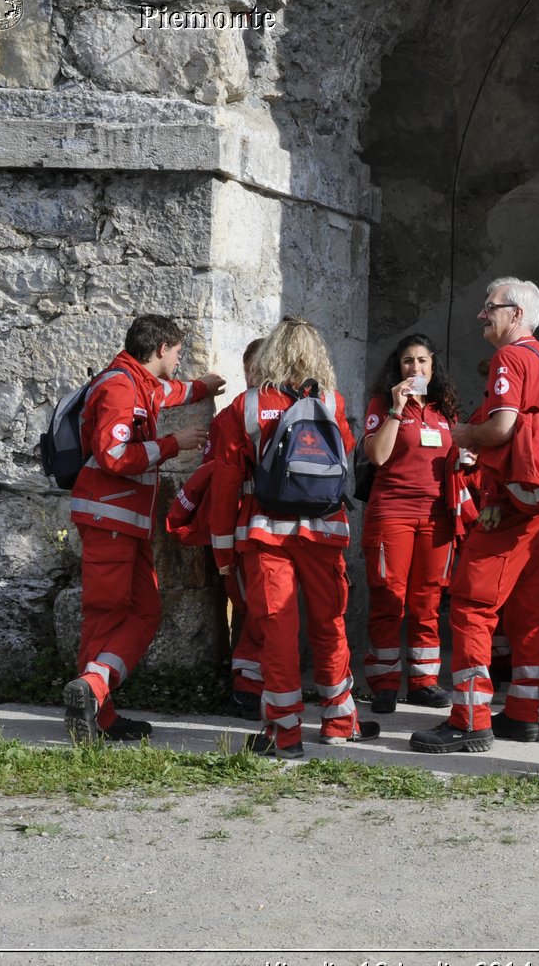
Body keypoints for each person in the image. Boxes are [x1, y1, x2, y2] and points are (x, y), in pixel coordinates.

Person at [411, 277, 539, 752]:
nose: (482, 315)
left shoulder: (511, 357)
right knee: (526, 611)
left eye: (490, 308)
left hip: (510, 509)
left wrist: (463, 434)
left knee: (471, 607)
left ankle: (469, 719)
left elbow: (502, 427)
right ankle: (522, 713)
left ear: (516, 314)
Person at [207, 317, 371, 757]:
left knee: (277, 628)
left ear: (270, 353)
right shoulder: (332, 402)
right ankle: (339, 718)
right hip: (326, 530)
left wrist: (223, 549)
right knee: (329, 622)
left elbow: (224, 485)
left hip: (267, 534)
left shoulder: (245, 407)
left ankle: (285, 733)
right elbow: (347, 450)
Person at [62, 314, 225, 743]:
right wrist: (175, 444)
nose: (178, 358)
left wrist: (207, 386)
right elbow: (115, 455)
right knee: (108, 615)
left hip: (123, 523)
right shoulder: (119, 388)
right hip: (109, 520)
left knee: (145, 611)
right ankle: (97, 703)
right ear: (159, 350)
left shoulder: (140, 384)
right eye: (176, 351)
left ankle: (95, 699)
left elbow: (173, 391)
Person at [359, 333, 461, 714]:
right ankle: (384, 684)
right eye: (407, 362)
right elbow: (378, 456)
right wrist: (396, 409)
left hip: (437, 516)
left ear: (432, 366)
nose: (414, 368)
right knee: (389, 597)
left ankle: (423, 681)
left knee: (428, 600)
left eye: (421, 361)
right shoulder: (381, 404)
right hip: (392, 513)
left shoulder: (443, 409)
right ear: (397, 367)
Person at [165, 337, 266, 720]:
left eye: (264, 368)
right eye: (252, 370)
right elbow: (219, 482)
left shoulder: (294, 410)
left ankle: (265, 683)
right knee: (251, 609)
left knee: (264, 611)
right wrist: (223, 548)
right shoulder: (233, 417)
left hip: (269, 527)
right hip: (242, 528)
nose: (258, 376)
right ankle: (246, 689)